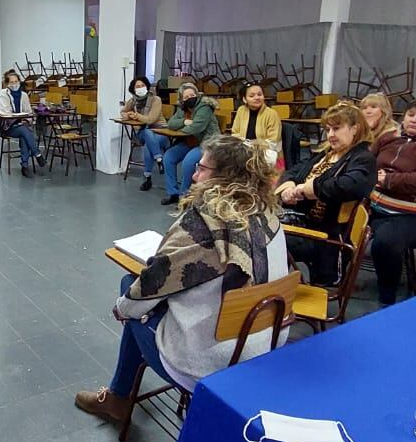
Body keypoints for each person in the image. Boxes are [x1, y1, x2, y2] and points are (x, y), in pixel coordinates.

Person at [75, 135, 288, 421]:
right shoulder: (268, 212)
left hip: (213, 363)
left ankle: (118, 397)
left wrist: (121, 308)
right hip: (264, 346)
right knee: (148, 297)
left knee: (132, 288)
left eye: (201, 168)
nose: (194, 174)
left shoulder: (205, 222)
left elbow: (153, 283)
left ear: (223, 178)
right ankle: (118, 393)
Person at [275, 101, 376, 286]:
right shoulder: (327, 154)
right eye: (327, 129)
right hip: (304, 222)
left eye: (336, 128)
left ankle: (269, 294)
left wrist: (308, 189)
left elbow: (348, 186)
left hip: (324, 238)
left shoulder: (363, 159)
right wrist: (288, 187)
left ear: (355, 128)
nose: (330, 135)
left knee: (266, 240)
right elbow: (295, 171)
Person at [368, 102, 416, 306]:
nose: (414, 119)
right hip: (374, 205)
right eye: (411, 114)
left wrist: (388, 180)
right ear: (403, 117)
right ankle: (329, 280)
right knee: (334, 215)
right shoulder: (388, 138)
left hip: (408, 214)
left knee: (385, 243)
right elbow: (366, 161)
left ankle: (386, 301)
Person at [161, 82, 219, 205]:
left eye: (192, 95)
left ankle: (184, 197)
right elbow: (171, 123)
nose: (189, 98)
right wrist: (185, 121)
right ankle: (173, 194)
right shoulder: (182, 108)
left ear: (197, 95)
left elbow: (196, 127)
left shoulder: (205, 107)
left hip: (206, 143)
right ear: (182, 100)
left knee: (188, 162)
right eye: (186, 97)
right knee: (168, 157)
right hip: (188, 141)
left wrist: (181, 130)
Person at [119, 76, 167, 192]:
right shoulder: (133, 101)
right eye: (137, 86)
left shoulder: (156, 99)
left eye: (143, 85)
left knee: (147, 146)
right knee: (146, 132)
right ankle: (159, 159)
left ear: (147, 86)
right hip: (142, 131)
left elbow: (150, 120)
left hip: (160, 131)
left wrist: (136, 116)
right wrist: (128, 115)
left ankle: (147, 178)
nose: (140, 88)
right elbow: (123, 112)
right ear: (133, 90)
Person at [0, 71, 45, 178]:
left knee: (24, 132)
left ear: (19, 81)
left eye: (16, 81)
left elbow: (28, 111)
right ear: (7, 84)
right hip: (8, 127)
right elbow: (5, 113)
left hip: (22, 125)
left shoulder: (24, 95)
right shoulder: (3, 94)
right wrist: (20, 116)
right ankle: (37, 154)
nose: (14, 84)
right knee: (24, 131)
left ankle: (25, 166)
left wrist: (25, 119)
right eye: (11, 82)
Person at [231, 83, 283, 166]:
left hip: (265, 152)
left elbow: (273, 143)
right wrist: (245, 145)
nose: (257, 98)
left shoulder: (272, 114)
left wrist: (253, 145)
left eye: (260, 94)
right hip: (244, 149)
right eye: (251, 96)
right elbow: (235, 133)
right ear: (244, 99)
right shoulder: (241, 110)